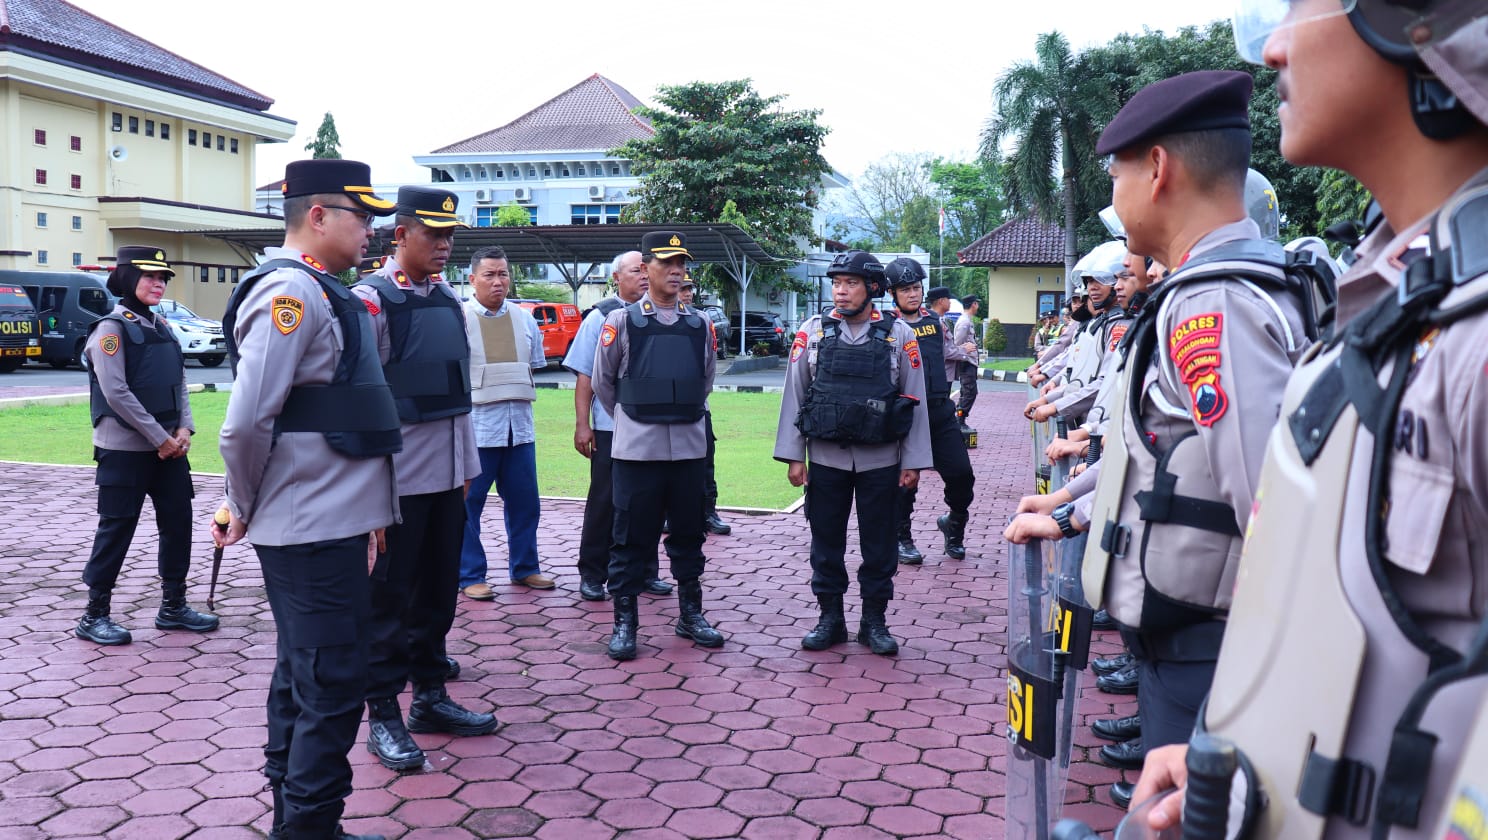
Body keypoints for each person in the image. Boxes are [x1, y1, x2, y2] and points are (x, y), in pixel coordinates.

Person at [1133, 2, 1488, 836]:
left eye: (1303, 7)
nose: (1276, 47)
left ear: (1414, 18)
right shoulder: (1400, 292)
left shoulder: (1470, 334)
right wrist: (1256, 750)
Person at [1005, 69, 1310, 792]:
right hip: (1195, 635)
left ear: (1158, 168)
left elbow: (1272, 510)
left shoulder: (1214, 306)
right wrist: (1070, 512)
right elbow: (1159, 462)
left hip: (1215, 646)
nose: (1115, 195)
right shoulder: (1210, 290)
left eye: (1116, 175)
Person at [216, 159, 400, 840]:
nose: (371, 230)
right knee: (332, 684)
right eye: (362, 216)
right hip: (308, 526)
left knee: (306, 675)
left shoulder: (322, 289)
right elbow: (245, 424)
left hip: (330, 518)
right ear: (318, 216)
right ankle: (308, 828)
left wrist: (372, 515)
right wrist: (241, 503)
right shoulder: (289, 292)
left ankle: (297, 821)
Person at [352, 186, 497, 773]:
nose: (444, 245)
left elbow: (456, 395)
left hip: (446, 475)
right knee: (389, 599)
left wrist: (465, 470)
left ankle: (430, 696)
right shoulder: (372, 301)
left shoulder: (447, 299)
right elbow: (361, 402)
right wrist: (370, 495)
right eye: (433, 234)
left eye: (450, 235)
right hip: (396, 479)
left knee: (438, 591)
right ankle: (383, 714)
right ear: (400, 235)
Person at [774, 250, 933, 656]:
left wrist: (913, 461)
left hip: (882, 460)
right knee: (826, 542)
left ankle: (873, 622)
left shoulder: (900, 335)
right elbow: (795, 394)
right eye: (836, 283)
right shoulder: (813, 332)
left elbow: (914, 399)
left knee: (879, 544)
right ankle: (830, 619)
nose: (840, 292)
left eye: (851, 283)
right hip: (826, 458)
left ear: (873, 288)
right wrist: (794, 456)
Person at [76, 246, 216, 646]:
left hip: (169, 448)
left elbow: (179, 382)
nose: (158, 284)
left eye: (163, 278)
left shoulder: (162, 326)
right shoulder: (110, 329)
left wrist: (185, 428)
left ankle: (173, 606)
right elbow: (116, 393)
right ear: (127, 279)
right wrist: (161, 438)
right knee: (117, 528)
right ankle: (94, 614)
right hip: (124, 450)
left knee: (178, 522)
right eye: (149, 277)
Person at [592, 231, 722, 661]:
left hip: (687, 449)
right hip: (638, 451)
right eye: (667, 262)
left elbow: (705, 380)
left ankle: (691, 614)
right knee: (629, 537)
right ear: (646, 268)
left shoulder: (700, 324)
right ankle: (624, 622)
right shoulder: (621, 321)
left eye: (681, 263)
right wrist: (635, 417)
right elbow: (604, 384)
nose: (676, 271)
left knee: (689, 533)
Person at [562, 251, 673, 603]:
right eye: (635, 270)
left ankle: (645, 571)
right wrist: (583, 425)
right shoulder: (600, 317)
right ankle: (593, 573)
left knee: (650, 501)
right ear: (616, 278)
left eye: (646, 270)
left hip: (652, 425)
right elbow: (585, 375)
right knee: (605, 501)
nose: (643, 276)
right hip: (611, 426)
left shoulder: (659, 313)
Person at [457, 246, 551, 600]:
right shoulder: (459, 318)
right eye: (489, 275)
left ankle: (526, 567)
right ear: (472, 279)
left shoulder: (526, 319)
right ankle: (470, 575)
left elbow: (535, 365)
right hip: (477, 432)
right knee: (469, 507)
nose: (498, 282)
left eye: (503, 274)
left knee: (526, 504)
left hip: (520, 430)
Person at [882, 258, 975, 564]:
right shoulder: (886, 326)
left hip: (939, 411)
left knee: (962, 475)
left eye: (916, 288)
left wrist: (967, 353)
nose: (912, 294)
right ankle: (901, 537)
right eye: (905, 290)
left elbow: (948, 352)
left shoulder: (936, 322)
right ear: (892, 293)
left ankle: (954, 524)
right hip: (905, 415)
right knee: (905, 483)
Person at [679, 276, 732, 536]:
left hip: (698, 406)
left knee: (706, 460)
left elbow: (709, 366)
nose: (687, 294)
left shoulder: (701, 321)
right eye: (682, 289)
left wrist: (698, 398)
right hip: (662, 408)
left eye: (689, 289)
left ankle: (708, 512)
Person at [952, 294, 981, 422]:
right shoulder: (964, 322)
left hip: (969, 361)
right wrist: (965, 351)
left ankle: (959, 418)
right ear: (973, 304)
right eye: (977, 303)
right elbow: (957, 343)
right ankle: (960, 419)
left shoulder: (967, 320)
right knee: (969, 392)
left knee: (967, 392)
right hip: (966, 361)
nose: (978, 306)